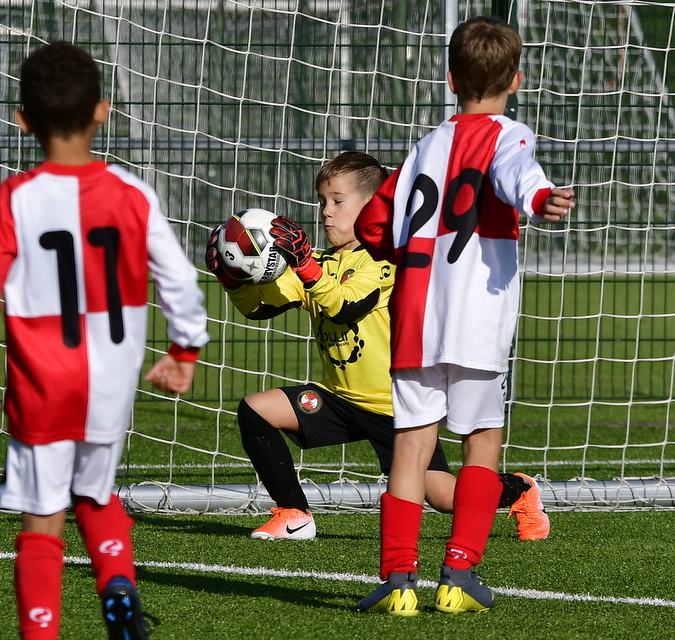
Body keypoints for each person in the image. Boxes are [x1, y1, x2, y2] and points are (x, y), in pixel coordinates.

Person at [0, 42, 209, 640]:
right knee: (96, 492)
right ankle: (118, 585)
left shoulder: (16, 198)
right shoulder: (132, 194)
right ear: (102, 112)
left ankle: (42, 632)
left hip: (43, 384)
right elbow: (179, 279)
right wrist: (183, 350)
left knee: (42, 520)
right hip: (109, 382)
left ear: (22, 121)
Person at [204, 151, 549, 546]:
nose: (326, 211)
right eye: (322, 201)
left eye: (338, 201)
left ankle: (519, 489)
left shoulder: (384, 260)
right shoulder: (319, 262)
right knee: (255, 411)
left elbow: (345, 304)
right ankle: (294, 515)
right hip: (341, 399)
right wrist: (232, 279)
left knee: (445, 498)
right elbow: (260, 307)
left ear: (372, 207)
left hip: (397, 407)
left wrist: (304, 266)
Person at [352, 17, 576, 616]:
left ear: (450, 79)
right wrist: (538, 199)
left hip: (415, 317)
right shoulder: (509, 133)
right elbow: (517, 174)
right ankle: (458, 575)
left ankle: (398, 582)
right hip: (476, 317)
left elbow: (373, 224)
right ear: (517, 80)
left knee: (411, 446)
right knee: (482, 440)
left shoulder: (423, 147)